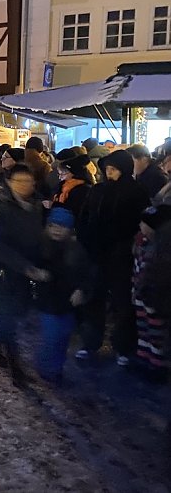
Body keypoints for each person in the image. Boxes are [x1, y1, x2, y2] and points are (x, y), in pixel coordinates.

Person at [77, 150, 151, 364]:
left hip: (122, 257)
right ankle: (90, 343)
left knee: (123, 303)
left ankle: (124, 347)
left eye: (113, 169)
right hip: (97, 254)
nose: (109, 173)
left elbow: (140, 221)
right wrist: (86, 238)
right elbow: (85, 217)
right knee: (94, 299)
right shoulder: (98, 190)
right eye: (107, 169)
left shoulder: (136, 192)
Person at [0, 164, 47, 387]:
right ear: (9, 183)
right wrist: (25, 266)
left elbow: (36, 238)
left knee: (10, 316)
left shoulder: (35, 206)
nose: (25, 186)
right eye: (19, 181)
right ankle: (17, 371)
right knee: (9, 319)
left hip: (20, 273)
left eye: (28, 181)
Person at [34, 207, 94, 384]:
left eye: (62, 227)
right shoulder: (42, 247)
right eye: (53, 226)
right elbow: (31, 265)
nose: (57, 230)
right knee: (51, 337)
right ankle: (47, 369)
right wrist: (36, 274)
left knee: (63, 337)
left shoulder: (76, 249)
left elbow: (88, 274)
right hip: (48, 303)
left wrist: (82, 289)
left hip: (68, 304)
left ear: (70, 229)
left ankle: (56, 368)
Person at [130, 205, 171, 383]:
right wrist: (134, 289)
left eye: (144, 223)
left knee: (156, 333)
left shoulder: (160, 251)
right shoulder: (142, 243)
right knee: (144, 329)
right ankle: (143, 358)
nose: (140, 225)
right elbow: (137, 269)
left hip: (154, 298)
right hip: (141, 294)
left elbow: (156, 276)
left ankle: (157, 366)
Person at [47, 150, 92, 220]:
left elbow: (74, 210)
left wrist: (53, 205)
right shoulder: (64, 185)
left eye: (62, 174)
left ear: (73, 173)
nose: (60, 177)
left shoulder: (83, 189)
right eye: (59, 174)